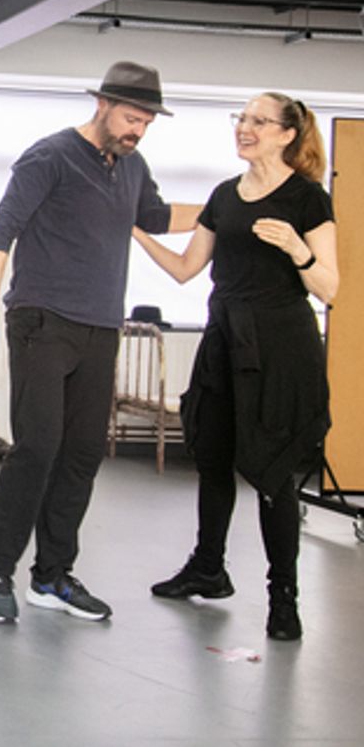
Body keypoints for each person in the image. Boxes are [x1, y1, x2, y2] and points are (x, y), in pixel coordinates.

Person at [0, 61, 200, 625]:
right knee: (38, 447)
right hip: (41, 320)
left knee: (82, 454)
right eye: (130, 117)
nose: (137, 130)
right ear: (102, 105)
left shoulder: (133, 166)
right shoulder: (49, 156)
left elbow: (159, 216)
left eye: (146, 122)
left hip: (101, 327)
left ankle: (51, 576)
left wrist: (234, 204)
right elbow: (2, 230)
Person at [132, 93, 337, 641]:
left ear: (286, 134)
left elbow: (330, 287)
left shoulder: (307, 199)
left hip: (280, 344)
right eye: (241, 119)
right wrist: (133, 230)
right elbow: (183, 269)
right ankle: (208, 568)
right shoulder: (224, 196)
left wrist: (298, 249)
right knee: (214, 455)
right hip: (225, 336)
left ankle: (283, 597)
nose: (244, 128)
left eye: (257, 121)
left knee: (271, 471)